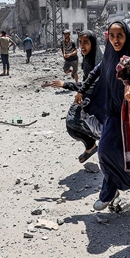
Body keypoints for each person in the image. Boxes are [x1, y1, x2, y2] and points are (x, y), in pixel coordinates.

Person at [75, 21, 130, 211]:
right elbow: (95, 72)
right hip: (112, 114)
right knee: (105, 151)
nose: (116, 40)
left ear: (127, 36)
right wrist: (82, 90)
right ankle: (110, 190)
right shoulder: (108, 56)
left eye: (120, 36)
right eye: (112, 36)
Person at [42, 29, 103, 162]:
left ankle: (99, 143)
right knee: (71, 122)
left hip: (96, 99)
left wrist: (66, 85)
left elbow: (92, 85)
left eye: (86, 42)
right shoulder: (87, 57)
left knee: (75, 123)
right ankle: (91, 145)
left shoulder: (97, 62)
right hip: (86, 95)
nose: (82, 45)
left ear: (93, 43)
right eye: (80, 42)